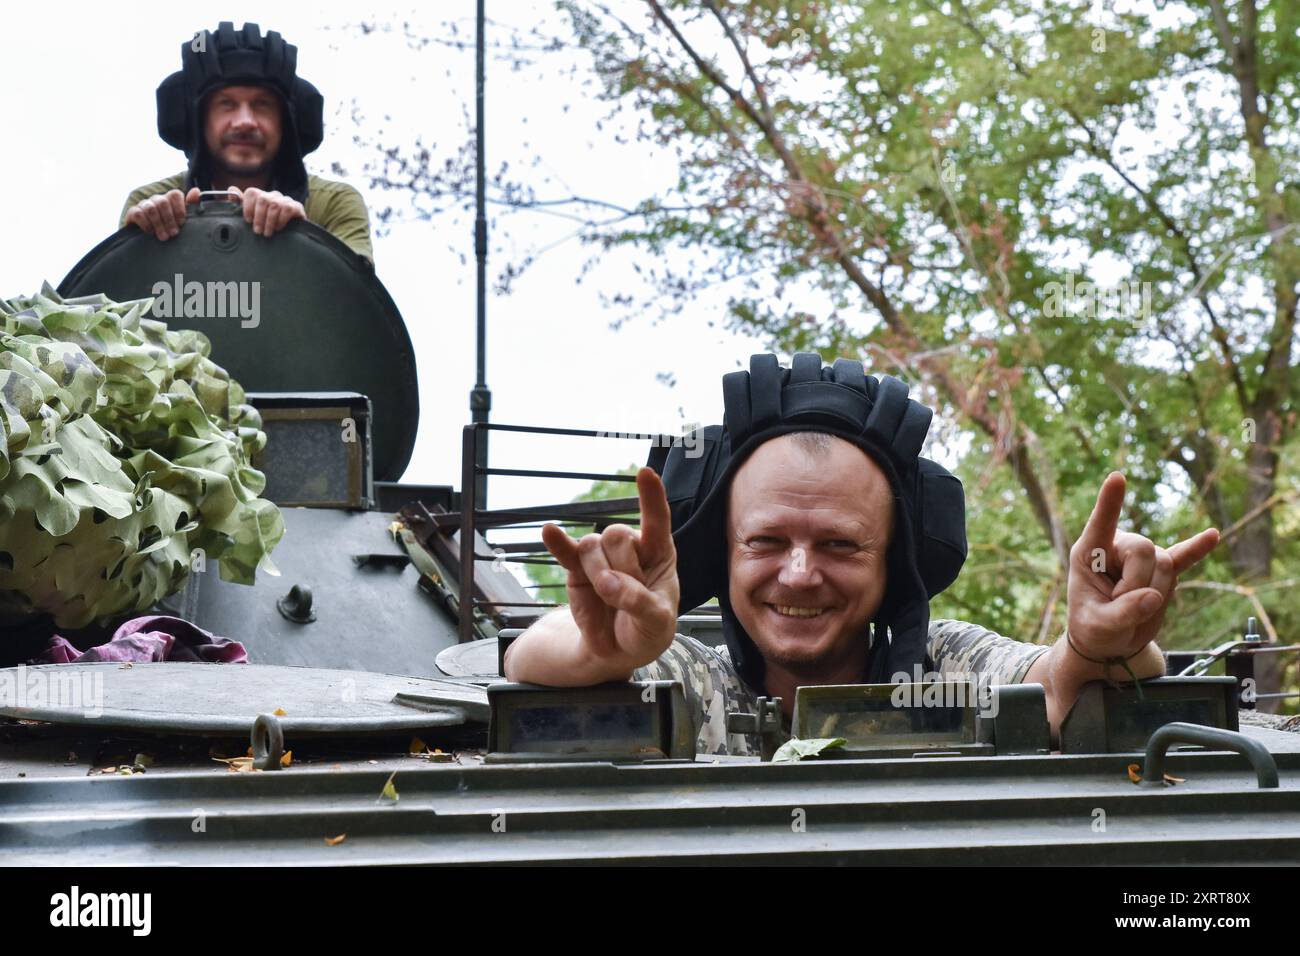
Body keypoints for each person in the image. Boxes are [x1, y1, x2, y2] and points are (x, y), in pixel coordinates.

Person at [504, 353, 1220, 755]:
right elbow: (528, 659)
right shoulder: (687, 676)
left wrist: (1100, 645)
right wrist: (603, 648)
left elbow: (1058, 684)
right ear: (723, 553)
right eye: (766, 541)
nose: (800, 573)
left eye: (842, 544)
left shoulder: (946, 667)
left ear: (890, 564)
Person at [120, 22, 373, 262]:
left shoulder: (332, 204)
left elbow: (356, 300)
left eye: (262, 105)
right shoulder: (153, 201)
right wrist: (140, 242)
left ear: (285, 122)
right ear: (199, 121)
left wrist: (301, 236)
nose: (245, 121)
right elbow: (121, 297)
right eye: (226, 104)